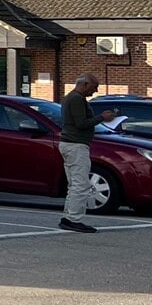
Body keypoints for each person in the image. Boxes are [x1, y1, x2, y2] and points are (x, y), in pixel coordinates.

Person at [58, 74, 111, 232]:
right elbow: (81, 123)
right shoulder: (76, 99)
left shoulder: (71, 98)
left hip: (70, 144)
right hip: (76, 145)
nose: (95, 91)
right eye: (94, 87)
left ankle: (68, 216)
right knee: (81, 184)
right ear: (85, 84)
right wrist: (101, 118)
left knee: (74, 184)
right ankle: (73, 218)